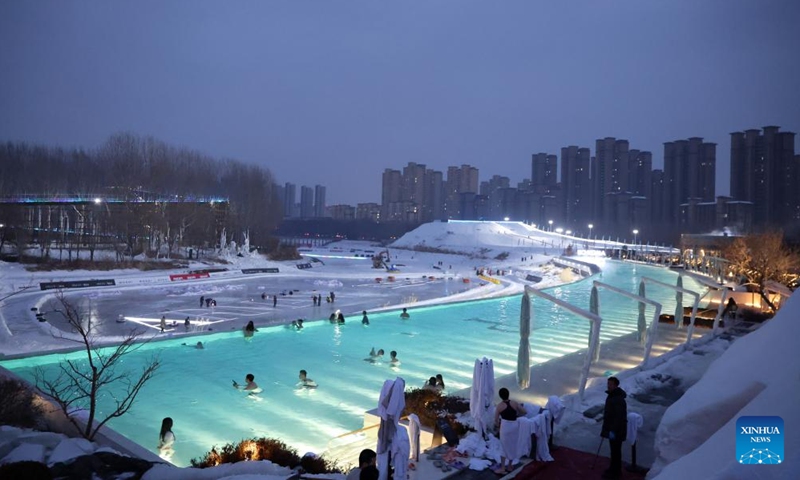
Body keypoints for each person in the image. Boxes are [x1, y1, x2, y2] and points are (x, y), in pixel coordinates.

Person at [493, 387, 526, 475]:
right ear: (508, 394)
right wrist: (517, 416)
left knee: (503, 447)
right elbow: (524, 411)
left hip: (506, 427)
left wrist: (498, 427)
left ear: (500, 396)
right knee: (512, 445)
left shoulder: (499, 406)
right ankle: (510, 466)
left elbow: (496, 420)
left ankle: (503, 468)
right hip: (514, 425)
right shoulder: (514, 403)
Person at [600, 376, 627, 479]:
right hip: (613, 428)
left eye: (611, 384)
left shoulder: (617, 398)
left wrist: (613, 430)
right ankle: (613, 468)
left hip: (617, 430)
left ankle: (616, 472)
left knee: (616, 451)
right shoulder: (612, 395)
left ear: (616, 385)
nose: (608, 386)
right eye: (608, 383)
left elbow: (619, 417)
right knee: (614, 450)